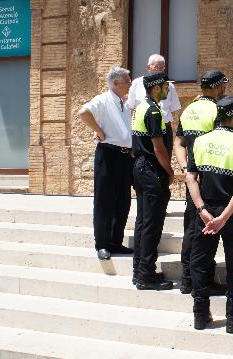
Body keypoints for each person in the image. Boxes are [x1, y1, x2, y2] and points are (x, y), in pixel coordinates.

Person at [186, 96, 233, 333]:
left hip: (205, 211)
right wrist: (223, 217)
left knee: (200, 261)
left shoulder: (200, 142)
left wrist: (202, 210)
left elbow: (190, 178)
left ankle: (200, 314)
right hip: (231, 212)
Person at [174, 70, 229, 296]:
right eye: (223, 86)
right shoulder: (217, 111)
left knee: (191, 226)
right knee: (206, 229)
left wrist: (186, 167)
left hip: (192, 178)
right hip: (211, 177)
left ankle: (187, 277)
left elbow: (178, 143)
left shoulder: (189, 110)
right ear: (218, 87)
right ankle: (202, 279)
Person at [78, 65, 134, 260]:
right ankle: (102, 244)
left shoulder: (124, 103)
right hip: (108, 155)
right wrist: (98, 131)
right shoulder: (103, 99)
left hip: (125, 157)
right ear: (116, 83)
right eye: (127, 80)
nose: (130, 83)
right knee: (105, 202)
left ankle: (115, 242)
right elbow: (83, 113)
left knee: (123, 201)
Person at [131, 72, 175, 290]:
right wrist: (170, 170)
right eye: (166, 85)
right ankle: (146, 275)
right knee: (152, 224)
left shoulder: (141, 106)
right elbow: (158, 148)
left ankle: (139, 270)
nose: (168, 88)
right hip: (151, 170)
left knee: (142, 222)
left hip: (139, 168)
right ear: (157, 87)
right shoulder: (153, 111)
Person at [127, 54, 181, 153]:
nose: (159, 70)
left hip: (164, 129)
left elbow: (174, 110)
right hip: (144, 129)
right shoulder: (137, 83)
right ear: (148, 68)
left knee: (164, 158)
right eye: (157, 67)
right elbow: (131, 108)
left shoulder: (169, 86)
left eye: (162, 68)